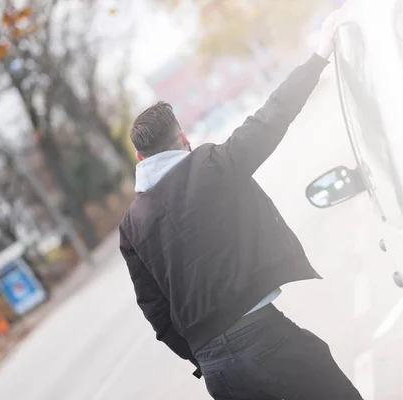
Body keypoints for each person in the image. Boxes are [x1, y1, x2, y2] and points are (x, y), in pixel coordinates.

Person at [119, 9, 363, 400]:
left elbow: (156, 313)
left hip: (218, 373)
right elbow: (271, 118)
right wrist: (319, 56)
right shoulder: (212, 164)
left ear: (140, 158)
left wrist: (205, 358)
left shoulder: (131, 226)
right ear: (183, 137)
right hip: (267, 342)